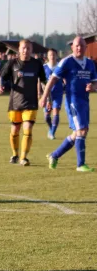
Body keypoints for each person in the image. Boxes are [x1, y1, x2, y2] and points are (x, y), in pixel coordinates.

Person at [40, 36, 97, 172]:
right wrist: (44, 96)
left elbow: (95, 81)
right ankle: (80, 164)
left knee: (78, 133)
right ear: (72, 47)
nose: (79, 48)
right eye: (76, 45)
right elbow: (52, 80)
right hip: (72, 101)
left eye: (82, 46)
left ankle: (54, 155)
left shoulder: (89, 63)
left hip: (84, 101)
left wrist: (93, 87)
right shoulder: (66, 62)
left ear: (85, 47)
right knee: (81, 131)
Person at [0, 39, 46, 166]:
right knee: (15, 130)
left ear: (31, 50)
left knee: (28, 129)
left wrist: (46, 97)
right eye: (23, 48)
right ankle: (15, 154)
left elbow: (43, 81)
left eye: (28, 48)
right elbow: (1, 76)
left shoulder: (37, 64)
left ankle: (24, 157)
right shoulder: (12, 63)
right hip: (15, 102)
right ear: (19, 49)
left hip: (31, 103)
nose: (26, 50)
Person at [42, 49, 65, 140]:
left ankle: (52, 133)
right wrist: (42, 94)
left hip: (58, 93)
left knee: (56, 112)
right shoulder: (44, 67)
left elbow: (64, 78)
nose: (52, 56)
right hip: (48, 94)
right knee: (47, 116)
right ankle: (51, 128)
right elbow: (41, 82)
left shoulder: (60, 67)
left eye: (54, 55)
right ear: (47, 56)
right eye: (50, 55)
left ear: (56, 55)